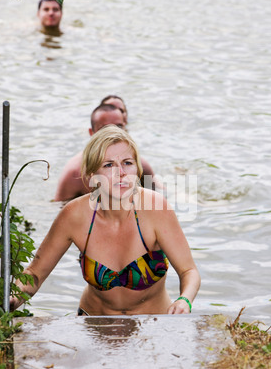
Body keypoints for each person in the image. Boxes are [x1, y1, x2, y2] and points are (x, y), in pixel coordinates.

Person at [10, 126, 200, 315]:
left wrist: (184, 300)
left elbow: (189, 271)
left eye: (127, 163)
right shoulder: (74, 215)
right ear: (93, 175)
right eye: (109, 165)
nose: (121, 172)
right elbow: (34, 274)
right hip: (93, 323)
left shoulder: (156, 208)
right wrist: (11, 297)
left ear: (137, 168)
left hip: (151, 326)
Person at [54, 103, 159, 202]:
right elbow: (58, 209)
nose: (112, 133)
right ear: (92, 132)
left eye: (118, 127)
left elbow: (157, 196)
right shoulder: (74, 172)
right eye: (104, 128)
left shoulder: (140, 164)